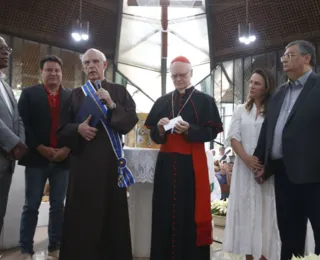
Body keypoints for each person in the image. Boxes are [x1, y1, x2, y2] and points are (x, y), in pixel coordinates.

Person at [56, 48, 138, 260]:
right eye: (87, 63)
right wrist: (77, 129)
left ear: (105, 65)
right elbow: (61, 130)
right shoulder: (75, 94)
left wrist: (111, 104)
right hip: (83, 164)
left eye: (95, 62)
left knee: (113, 214)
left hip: (111, 164)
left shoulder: (120, 92)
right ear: (83, 67)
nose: (91, 66)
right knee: (83, 214)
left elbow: (130, 123)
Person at [145, 56, 223, 260]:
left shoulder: (205, 100)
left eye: (182, 75)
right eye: (174, 76)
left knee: (189, 213)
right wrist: (160, 129)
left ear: (191, 73)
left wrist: (191, 129)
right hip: (166, 166)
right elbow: (153, 136)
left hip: (190, 166)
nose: (178, 79)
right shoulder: (162, 101)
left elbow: (211, 133)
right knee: (164, 212)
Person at [254, 40, 320, 259]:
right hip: (283, 173)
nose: (284, 59)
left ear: (307, 58)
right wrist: (260, 161)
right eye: (283, 55)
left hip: (314, 174)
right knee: (289, 231)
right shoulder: (280, 93)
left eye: (290, 55)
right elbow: (268, 128)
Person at [222, 68, 280, 260]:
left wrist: (261, 164)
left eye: (257, 83)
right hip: (243, 169)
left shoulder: (274, 109)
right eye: (250, 82)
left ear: (267, 87)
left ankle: (266, 254)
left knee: (266, 212)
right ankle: (249, 255)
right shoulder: (241, 109)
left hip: (265, 170)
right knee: (246, 212)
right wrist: (246, 158)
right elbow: (233, 137)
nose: (251, 86)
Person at [17, 55, 71, 260]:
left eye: (57, 70)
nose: (53, 74)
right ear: (41, 72)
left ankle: (55, 246)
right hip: (36, 159)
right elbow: (23, 124)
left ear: (61, 73)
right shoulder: (29, 94)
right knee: (31, 205)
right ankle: (25, 249)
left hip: (63, 159)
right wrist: (40, 147)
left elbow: (75, 125)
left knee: (58, 205)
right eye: (49, 70)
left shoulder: (70, 96)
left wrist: (66, 149)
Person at [0, 36, 26, 235]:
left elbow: (17, 118)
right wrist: (13, 142)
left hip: (7, 162)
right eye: (0, 48)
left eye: (7, 47)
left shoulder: (6, 86)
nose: (6, 51)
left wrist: (21, 143)